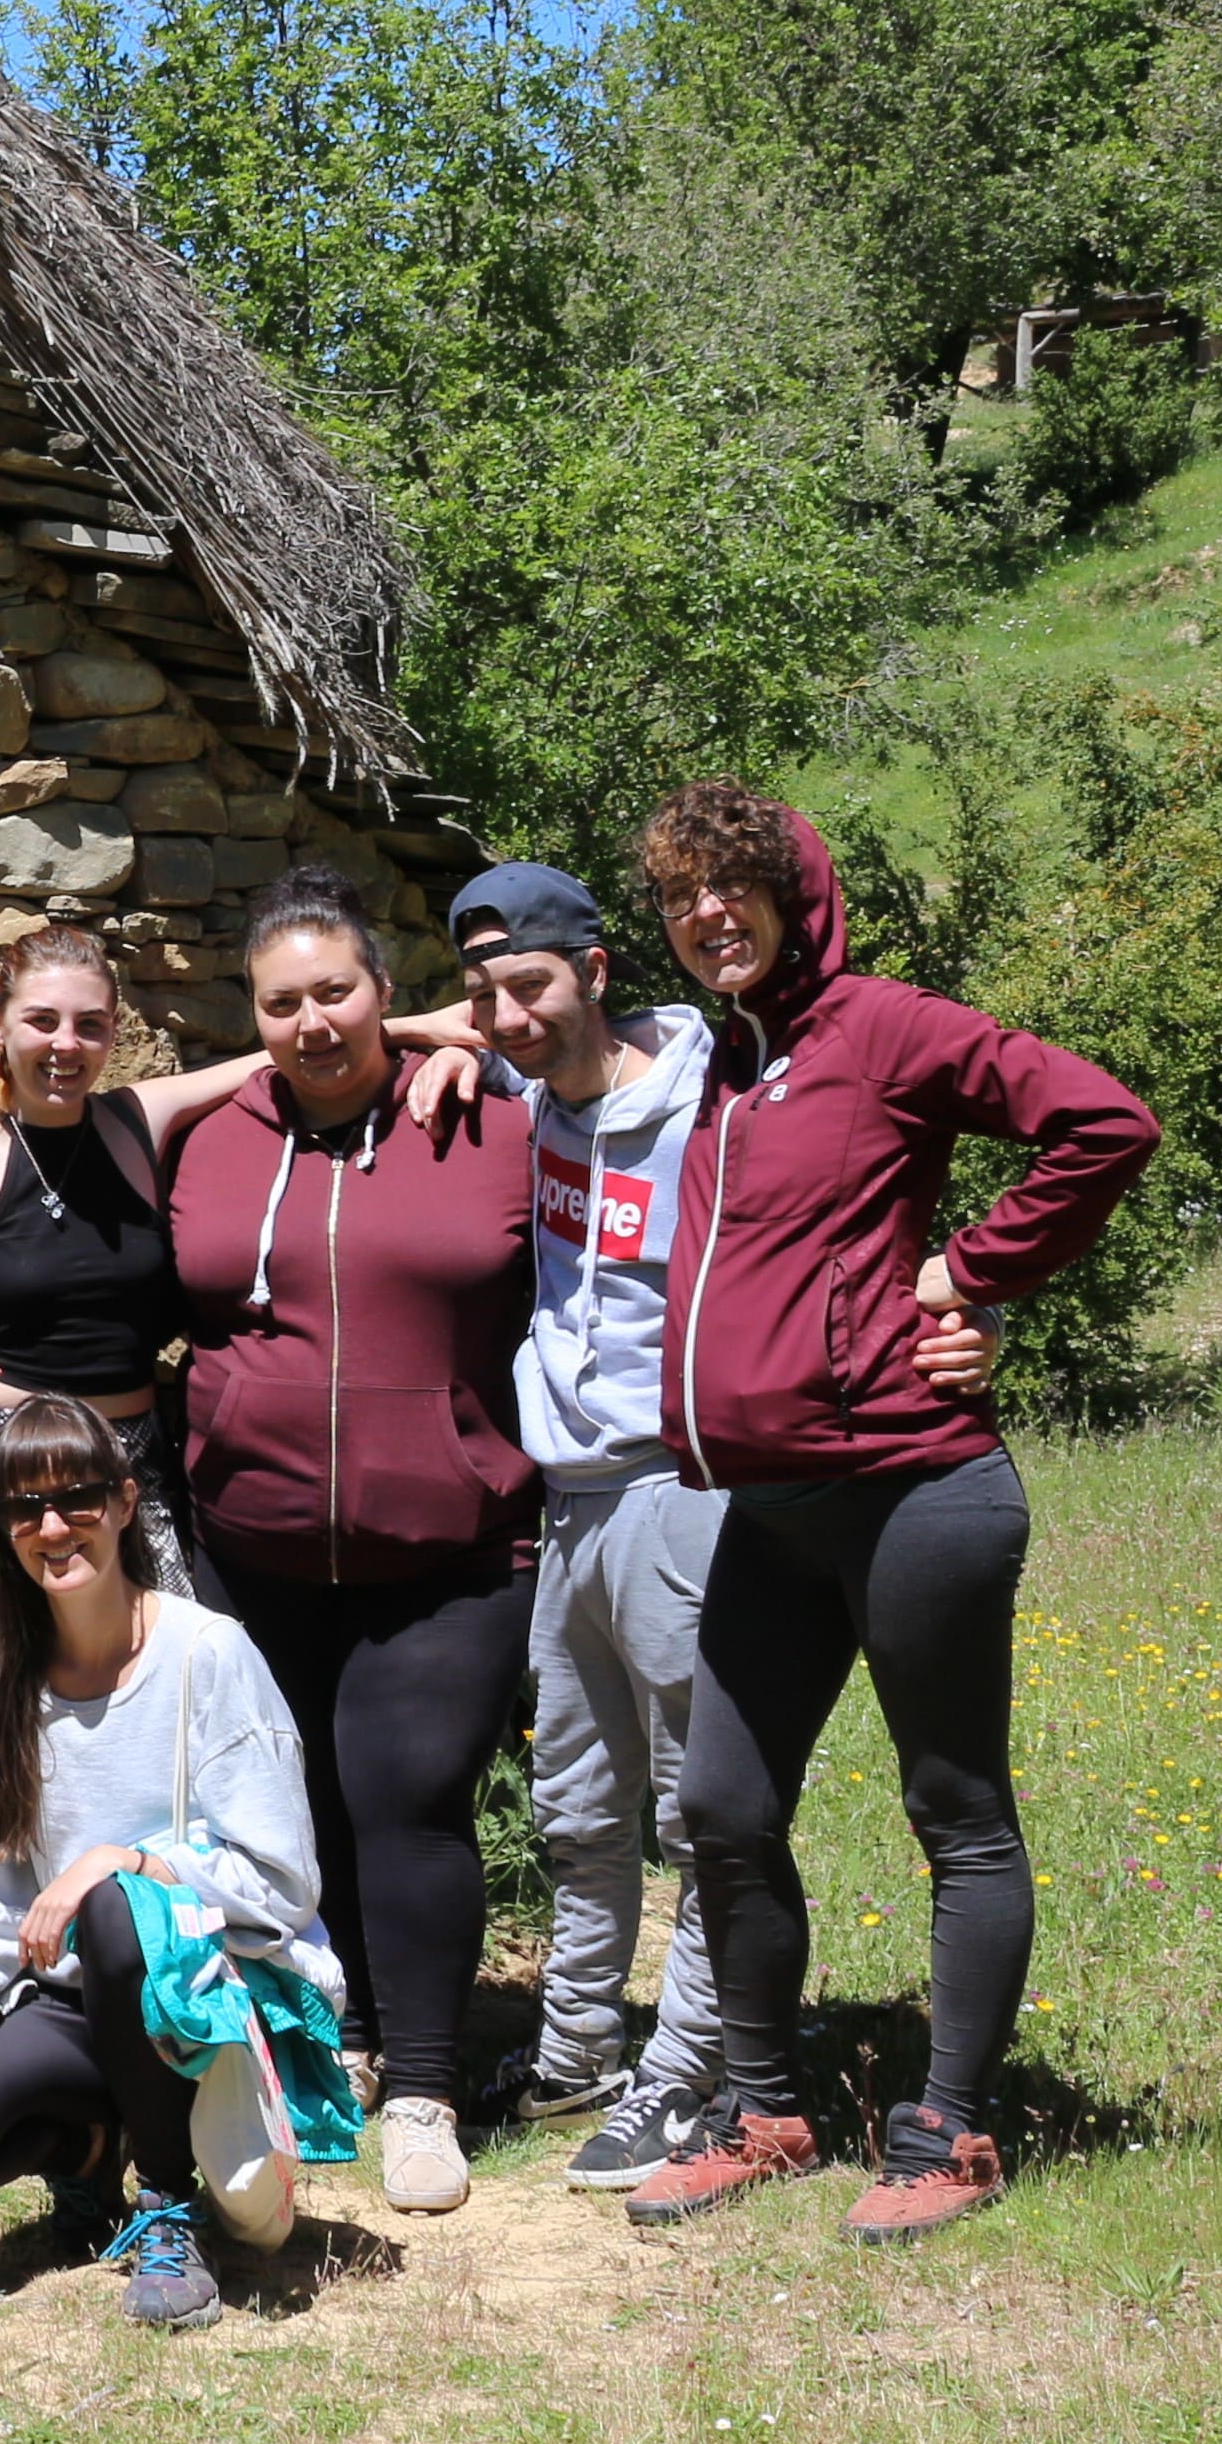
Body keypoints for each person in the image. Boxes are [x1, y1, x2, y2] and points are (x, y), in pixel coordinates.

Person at [619, 781, 1159, 2247]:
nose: (705, 914)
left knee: (955, 1812)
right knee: (722, 1811)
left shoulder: (883, 1025)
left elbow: (1101, 1123)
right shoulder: (727, 1063)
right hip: (771, 1511)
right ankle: (764, 2109)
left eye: (733, 886)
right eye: (679, 895)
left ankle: (952, 2128)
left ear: (797, 897)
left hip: (914, 1487)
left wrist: (972, 1274)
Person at [163, 862, 536, 2216]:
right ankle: (355, 2042)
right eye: (281, 1002)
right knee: (295, 1808)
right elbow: (69, 1128)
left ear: (387, 993)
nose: (312, 1021)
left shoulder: (496, 1118)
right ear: (249, 1015)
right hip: (249, 1545)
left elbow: (621, 1032)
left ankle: (428, 2089)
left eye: (337, 992)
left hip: (451, 1541)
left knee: (411, 1793)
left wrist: (462, 1034)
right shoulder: (203, 1136)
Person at [393, 861, 748, 2192]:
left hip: (682, 1488)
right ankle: (581, 2046)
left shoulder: (705, 1083)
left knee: (702, 1802)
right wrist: (448, 1036)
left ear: (597, 970)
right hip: (568, 1498)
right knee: (579, 1805)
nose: (509, 1013)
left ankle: (692, 2068)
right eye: (486, 992)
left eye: (532, 984)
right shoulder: (522, 1096)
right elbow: (434, 1027)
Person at [0, 1399, 338, 2331]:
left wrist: (121, 1862)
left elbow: (282, 1878)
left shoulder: (208, 1654)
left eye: (78, 1497)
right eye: (23, 1508)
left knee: (121, 1909)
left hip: (210, 1993)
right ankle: (89, 2155)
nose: (52, 1527)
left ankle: (166, 2203)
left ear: (125, 1503)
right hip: (79, 2007)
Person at [0, 921, 476, 1600]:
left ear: (113, 1032)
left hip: (128, 1455)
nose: (64, 1044)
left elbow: (278, 1054)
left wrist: (422, 1033)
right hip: (1, 1458)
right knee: (17, 1682)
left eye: (89, 1025)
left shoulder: (136, 1122)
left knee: (161, 1667)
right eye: (41, 1020)